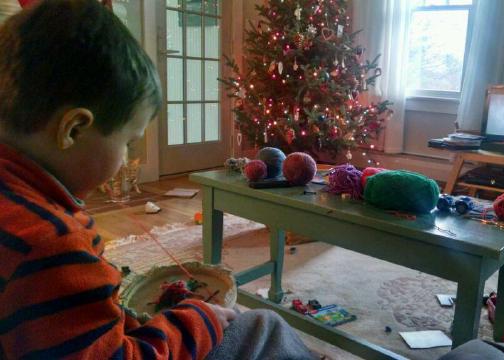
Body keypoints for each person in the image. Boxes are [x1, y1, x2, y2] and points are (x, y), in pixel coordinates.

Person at [0, 1, 315, 359]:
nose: (127, 158)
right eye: (128, 142)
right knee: (263, 326)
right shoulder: (52, 243)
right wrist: (198, 319)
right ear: (73, 129)